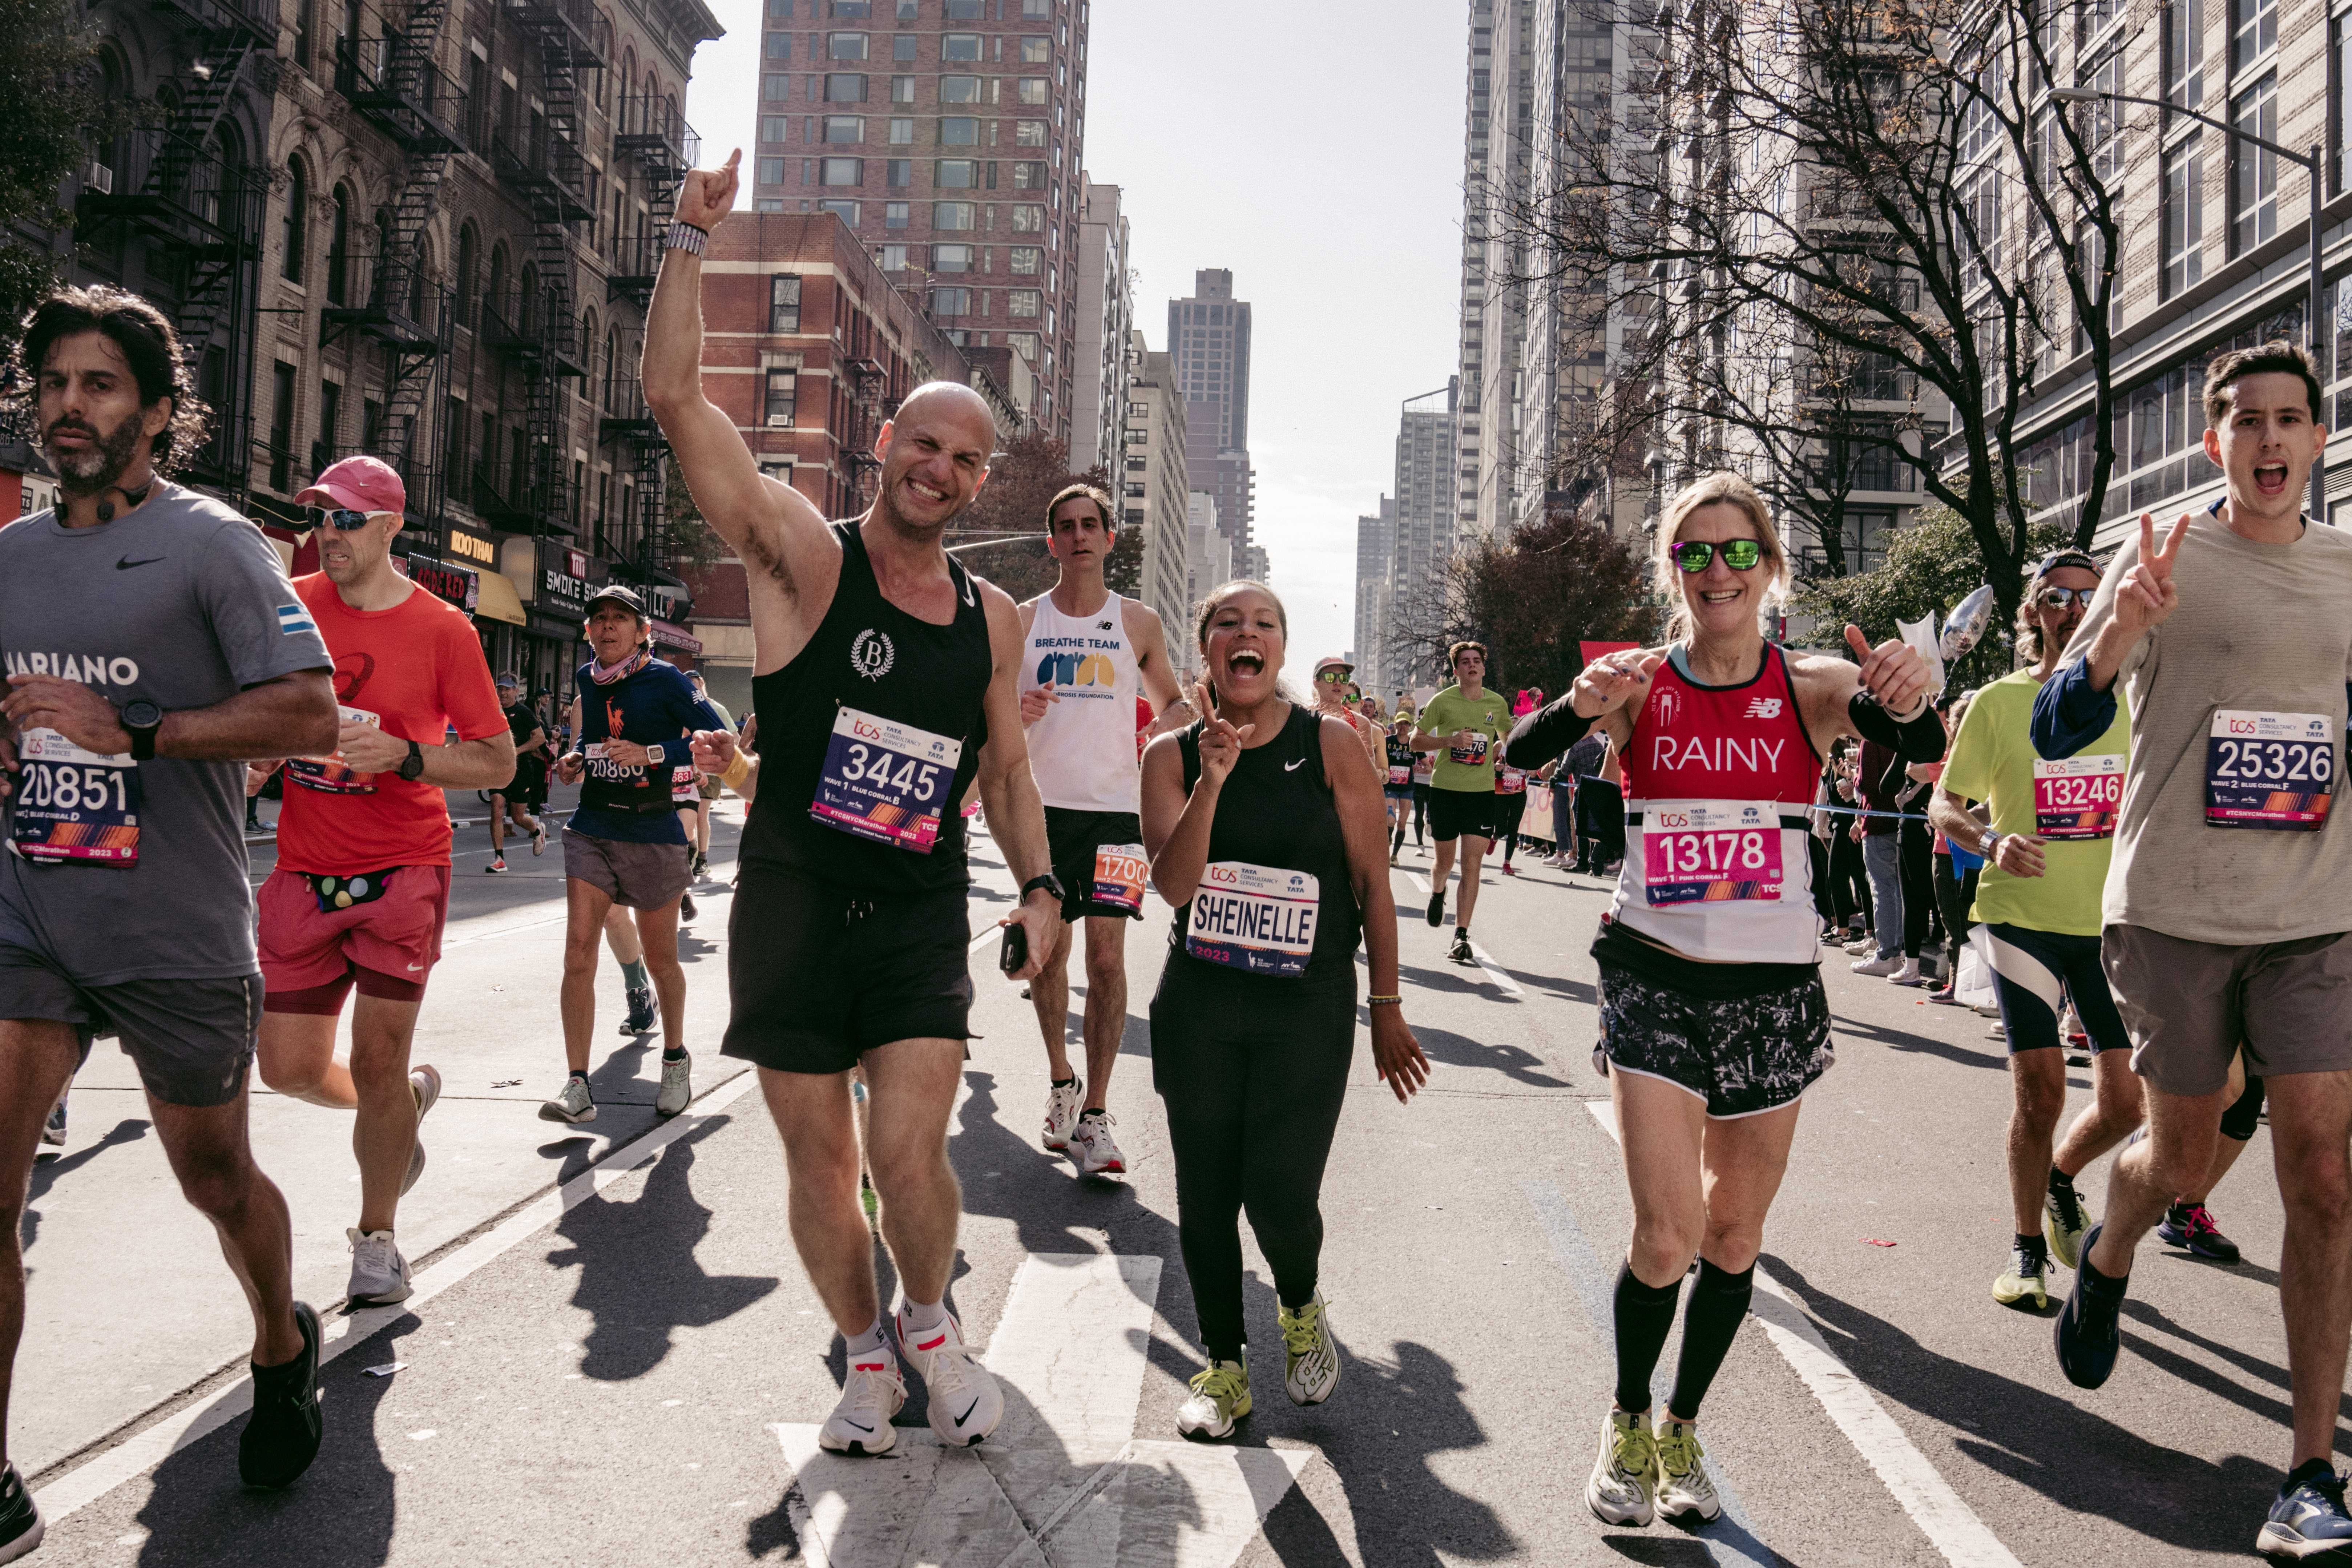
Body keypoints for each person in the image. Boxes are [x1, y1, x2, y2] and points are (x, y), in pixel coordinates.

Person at [644, 149, 1060, 1458]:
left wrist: (1042, 887)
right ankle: (869, 1356)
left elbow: (1003, 770)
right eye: (922, 443)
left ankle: (930, 1317)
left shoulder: (993, 620)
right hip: (791, 898)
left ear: (983, 480)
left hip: (919, 902)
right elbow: (673, 401)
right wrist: (684, 238)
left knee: (910, 1149)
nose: (937, 468)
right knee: (819, 1164)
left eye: (964, 458)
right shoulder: (803, 561)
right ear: (886, 443)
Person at [1507, 471, 1939, 1530]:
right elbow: (1517, 761)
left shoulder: (1816, 686)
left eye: (1736, 550)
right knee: (1666, 1235)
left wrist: (1915, 690)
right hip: (1654, 976)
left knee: (1733, 1237)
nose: (1716, 570)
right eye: (1694, 553)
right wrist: (1577, 702)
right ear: (1674, 571)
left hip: (1773, 994)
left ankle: (1683, 1426)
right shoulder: (1642, 683)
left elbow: (1923, 749)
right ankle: (1623, 1419)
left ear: (1769, 565)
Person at [0, 285, 344, 1543]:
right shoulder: (10, 560)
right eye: (52, 384)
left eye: (97, 385)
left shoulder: (213, 545)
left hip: (176, 929)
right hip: (30, 913)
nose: (69, 407)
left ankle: (278, 1336)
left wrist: (136, 728)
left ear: (153, 409)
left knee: (213, 1173)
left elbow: (309, 714)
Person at [2029, 343, 2352, 1556]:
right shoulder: (2162, 557)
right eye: (2245, 422)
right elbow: (2063, 728)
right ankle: (2111, 1248)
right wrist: (2113, 629)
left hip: (2317, 915)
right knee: (2182, 1160)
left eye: (2290, 421)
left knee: (2321, 1171)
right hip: (2172, 909)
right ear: (2214, 442)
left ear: (2318, 440)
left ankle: (2310, 1473)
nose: (2268, 442)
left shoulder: (2346, 572)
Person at [1141, 582, 1428, 1439]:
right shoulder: (1171, 755)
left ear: (1278, 652)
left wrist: (1385, 1006)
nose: (1245, 633)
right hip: (1199, 1005)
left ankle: (1299, 1306)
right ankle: (1225, 1366)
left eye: (1262, 623)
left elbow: (1374, 883)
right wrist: (1213, 780)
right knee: (1203, 1196)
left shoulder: (1330, 744)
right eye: (1227, 622)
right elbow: (1174, 886)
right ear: (1206, 650)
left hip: (1304, 1007)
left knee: (1277, 1194)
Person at [246, 456, 515, 1307]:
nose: (331, 534)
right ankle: (399, 1110)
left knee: (376, 1054)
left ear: (392, 527)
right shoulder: (294, 603)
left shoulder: (444, 630)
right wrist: (253, 754)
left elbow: (498, 760)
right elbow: (262, 704)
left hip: (403, 865)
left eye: (350, 519)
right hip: (304, 864)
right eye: (322, 517)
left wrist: (406, 755)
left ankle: (377, 1239)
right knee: (287, 1067)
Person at [1928, 551, 2143, 1314]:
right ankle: (2024, 1249)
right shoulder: (1996, 701)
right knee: (2040, 1089)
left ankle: (2057, 1181)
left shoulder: (2134, 701)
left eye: (2089, 596)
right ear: (2032, 613)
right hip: (2019, 918)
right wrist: (1989, 842)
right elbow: (1943, 805)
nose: (2072, 607)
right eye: (2056, 596)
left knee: (2125, 1105)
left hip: (2110, 926)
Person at [1016, 483, 1188, 1178]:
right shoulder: (1022, 620)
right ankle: (1063, 1084)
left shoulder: (1138, 623)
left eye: (1091, 525)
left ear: (1110, 538)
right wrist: (1014, 706)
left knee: (1109, 962)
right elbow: (989, 704)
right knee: (1049, 959)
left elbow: (1170, 703)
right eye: (1066, 526)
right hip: (1040, 812)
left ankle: (1097, 1115)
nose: (1080, 535)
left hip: (1117, 814)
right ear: (1051, 541)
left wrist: (1181, 729)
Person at [540, 583, 722, 1124]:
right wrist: (575, 758)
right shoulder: (585, 680)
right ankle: (577, 1084)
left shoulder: (665, 679)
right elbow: (595, 740)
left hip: (652, 829)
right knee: (578, 951)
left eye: (620, 618)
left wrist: (653, 753)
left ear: (643, 631)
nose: (607, 627)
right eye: (599, 618)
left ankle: (674, 1057)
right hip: (594, 825)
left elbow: (714, 734)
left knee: (663, 958)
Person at [1413, 642, 1512, 962]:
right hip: (1445, 791)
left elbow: (1507, 737)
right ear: (1456, 670)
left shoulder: (1496, 703)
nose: (1471, 666)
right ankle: (1438, 890)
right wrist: (1450, 741)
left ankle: (1460, 935)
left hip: (1481, 794)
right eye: (1465, 662)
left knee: (1472, 865)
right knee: (1444, 864)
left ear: (1483, 668)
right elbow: (1416, 740)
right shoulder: (1443, 701)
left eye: (1476, 661)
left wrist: (1502, 751)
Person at [487, 670, 550, 871]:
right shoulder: (493, 712)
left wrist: (519, 750)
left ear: (516, 691)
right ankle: (500, 860)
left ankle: (536, 831)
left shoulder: (523, 712)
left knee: (517, 817)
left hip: (520, 769)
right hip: (497, 768)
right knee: (497, 808)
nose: (503, 693)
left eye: (507, 689)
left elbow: (540, 738)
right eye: (500, 689)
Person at [684, 668, 733, 881]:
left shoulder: (717, 709)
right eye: (689, 685)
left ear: (702, 684)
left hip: (710, 772)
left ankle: (701, 860)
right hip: (684, 771)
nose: (694, 688)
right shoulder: (683, 708)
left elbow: (735, 738)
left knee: (700, 814)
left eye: (696, 684)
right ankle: (692, 850)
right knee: (686, 815)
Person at [1309, 656, 1383, 781]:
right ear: (1317, 683)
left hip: (1349, 796)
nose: (1337, 683)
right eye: (1330, 677)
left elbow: (1368, 766)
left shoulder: (1361, 723)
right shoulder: (1304, 718)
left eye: (1343, 678)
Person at [1381, 712, 1416, 862]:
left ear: (1410, 726)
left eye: (1406, 724)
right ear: (1395, 725)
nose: (1403, 727)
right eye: (1400, 724)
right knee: (1391, 819)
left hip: (1407, 788)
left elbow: (1427, 766)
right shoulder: (1387, 741)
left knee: (1402, 823)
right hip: (1390, 786)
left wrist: (1424, 768)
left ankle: (1394, 856)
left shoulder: (1414, 744)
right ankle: (1388, 837)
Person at [1493, 758, 1529, 874]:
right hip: (1501, 793)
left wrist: (1535, 769)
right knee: (1501, 831)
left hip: (1519, 793)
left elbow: (1535, 763)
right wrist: (1496, 766)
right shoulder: (1499, 746)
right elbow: (1487, 763)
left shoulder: (1525, 749)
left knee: (1514, 828)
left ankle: (1507, 863)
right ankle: (1495, 837)